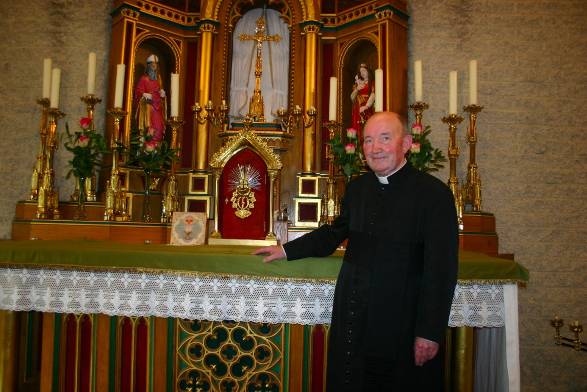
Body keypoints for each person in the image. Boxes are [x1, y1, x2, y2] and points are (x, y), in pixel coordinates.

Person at [254, 112, 458, 391]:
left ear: (407, 143)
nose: (375, 148)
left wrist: (429, 332)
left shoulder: (434, 195)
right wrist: (286, 250)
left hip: (402, 321)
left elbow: (441, 269)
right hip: (355, 316)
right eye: (368, 141)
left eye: (385, 139)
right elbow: (334, 234)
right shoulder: (358, 188)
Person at [134, 54, 166, 141]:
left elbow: (160, 89)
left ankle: (156, 147)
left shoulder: (159, 78)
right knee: (149, 128)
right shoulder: (144, 79)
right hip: (148, 107)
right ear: (148, 66)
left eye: (156, 64)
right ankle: (148, 146)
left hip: (158, 107)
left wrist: (162, 93)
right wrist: (144, 94)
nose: (154, 66)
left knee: (159, 127)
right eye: (152, 64)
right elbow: (137, 92)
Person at [350, 63, 375, 138]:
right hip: (358, 108)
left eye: (364, 71)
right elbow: (352, 98)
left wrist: (367, 106)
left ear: (368, 71)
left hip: (367, 108)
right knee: (357, 127)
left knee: (367, 126)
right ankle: (358, 145)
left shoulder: (372, 83)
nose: (362, 73)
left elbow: (373, 95)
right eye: (361, 72)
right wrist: (357, 89)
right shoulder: (359, 84)